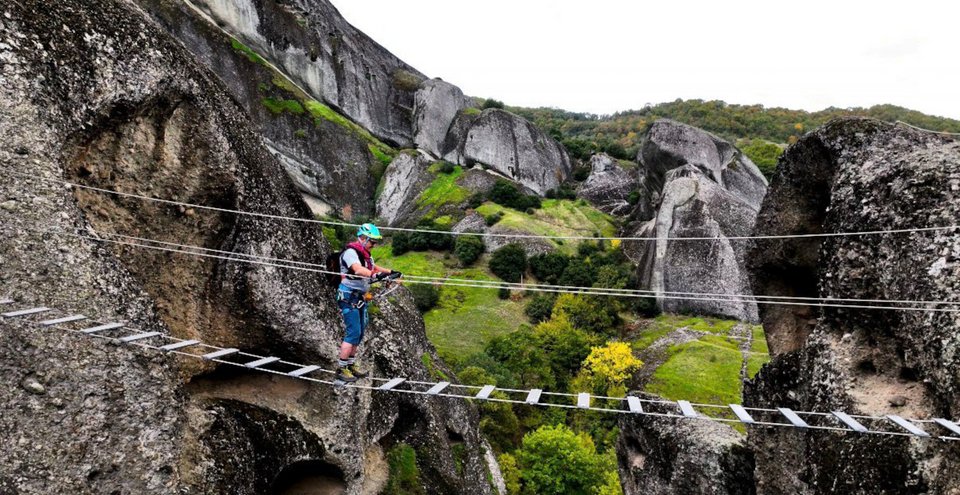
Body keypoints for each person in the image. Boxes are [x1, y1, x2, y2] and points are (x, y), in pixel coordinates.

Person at [335, 223, 401, 382]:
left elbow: (373, 267)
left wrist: (389, 272)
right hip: (348, 297)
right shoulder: (351, 253)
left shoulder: (365, 253)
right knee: (352, 334)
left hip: (359, 298)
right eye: (372, 241)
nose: (374, 244)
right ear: (363, 238)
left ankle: (350, 365)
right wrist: (374, 276)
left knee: (359, 334)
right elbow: (358, 269)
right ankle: (341, 369)